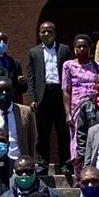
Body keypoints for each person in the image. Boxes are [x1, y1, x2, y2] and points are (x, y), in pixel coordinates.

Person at [26, 22, 72, 177]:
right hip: (43, 96)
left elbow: (69, 73)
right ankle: (42, 165)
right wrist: (33, 98)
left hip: (60, 94)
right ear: (39, 34)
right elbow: (31, 78)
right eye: (43, 31)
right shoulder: (34, 52)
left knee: (63, 132)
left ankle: (66, 164)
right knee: (43, 134)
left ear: (55, 33)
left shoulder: (64, 50)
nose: (46, 34)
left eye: (49, 31)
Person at [62, 34, 99, 178]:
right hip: (76, 109)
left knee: (93, 139)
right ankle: (79, 176)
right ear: (74, 49)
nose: (82, 49)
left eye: (85, 46)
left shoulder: (97, 66)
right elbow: (66, 91)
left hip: (93, 108)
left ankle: (94, 173)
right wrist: (67, 113)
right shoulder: (68, 66)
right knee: (77, 142)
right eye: (78, 46)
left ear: (90, 48)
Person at [0, 77, 38, 161]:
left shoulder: (26, 112)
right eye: (0, 90)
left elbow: (32, 138)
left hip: (19, 163)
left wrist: (30, 159)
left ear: (13, 92)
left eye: (7, 90)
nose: (4, 93)